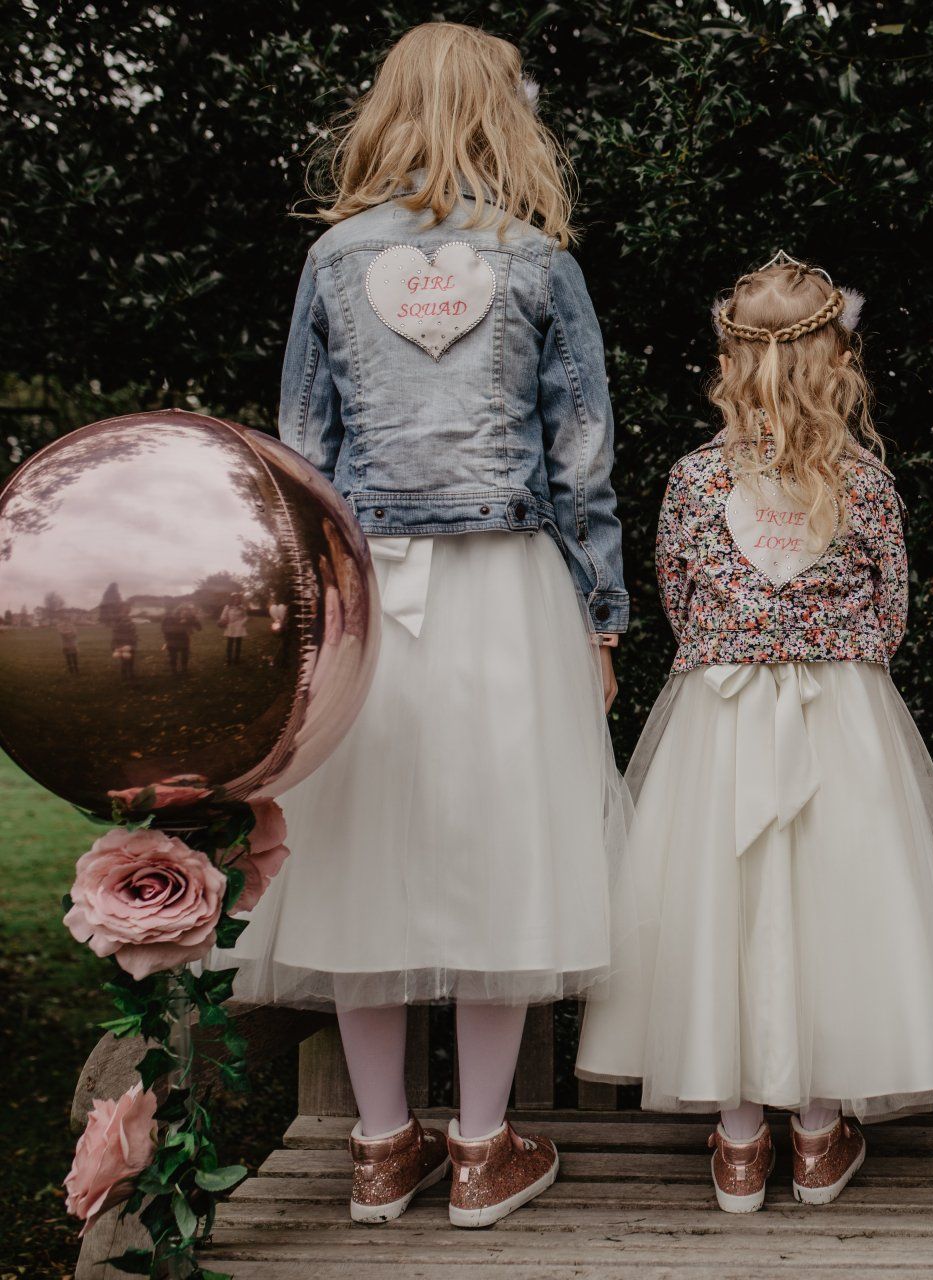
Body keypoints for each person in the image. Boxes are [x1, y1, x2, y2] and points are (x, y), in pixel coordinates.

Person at [222, 21, 628, 1230]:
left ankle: (381, 1143)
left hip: (371, 587)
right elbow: (583, 457)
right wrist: (602, 619)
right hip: (509, 586)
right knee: (503, 848)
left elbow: (301, 455)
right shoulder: (539, 262)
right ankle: (487, 1146)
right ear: (507, 112)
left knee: (365, 849)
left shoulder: (336, 261)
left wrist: (308, 615)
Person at [575, 253, 933, 1214]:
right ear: (836, 359)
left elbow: (676, 595)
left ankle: (743, 1140)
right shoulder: (865, 482)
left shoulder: (691, 480)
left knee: (726, 909)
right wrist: (827, 650)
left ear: (730, 359)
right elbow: (891, 611)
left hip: (722, 716)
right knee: (837, 908)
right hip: (842, 716)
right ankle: (823, 1129)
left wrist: (742, 643)